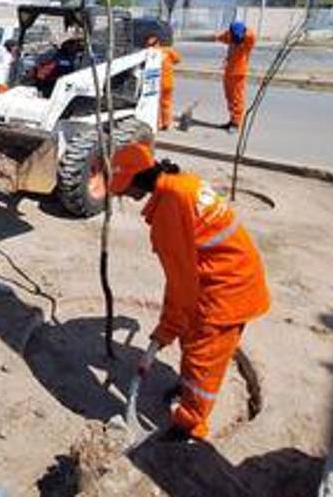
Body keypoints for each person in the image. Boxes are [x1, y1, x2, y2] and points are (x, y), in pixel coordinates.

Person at [109, 141, 270, 441]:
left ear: (137, 179)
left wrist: (166, 328)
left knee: (202, 355)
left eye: (124, 188)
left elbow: (182, 285)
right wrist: (173, 327)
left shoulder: (170, 207)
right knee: (194, 340)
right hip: (231, 276)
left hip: (226, 290)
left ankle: (190, 424)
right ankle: (188, 392)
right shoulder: (181, 182)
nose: (125, 196)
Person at [214, 20, 255, 133]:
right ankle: (232, 120)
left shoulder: (248, 39)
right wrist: (215, 36)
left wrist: (242, 31)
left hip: (239, 73)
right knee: (230, 98)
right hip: (228, 72)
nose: (236, 41)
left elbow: (251, 35)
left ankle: (236, 124)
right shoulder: (230, 35)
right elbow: (221, 37)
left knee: (237, 98)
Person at [147, 34, 182, 131]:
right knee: (166, 103)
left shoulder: (149, 54)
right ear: (158, 43)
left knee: (155, 105)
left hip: (156, 84)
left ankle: (157, 125)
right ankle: (166, 123)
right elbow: (178, 60)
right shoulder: (168, 51)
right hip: (168, 83)